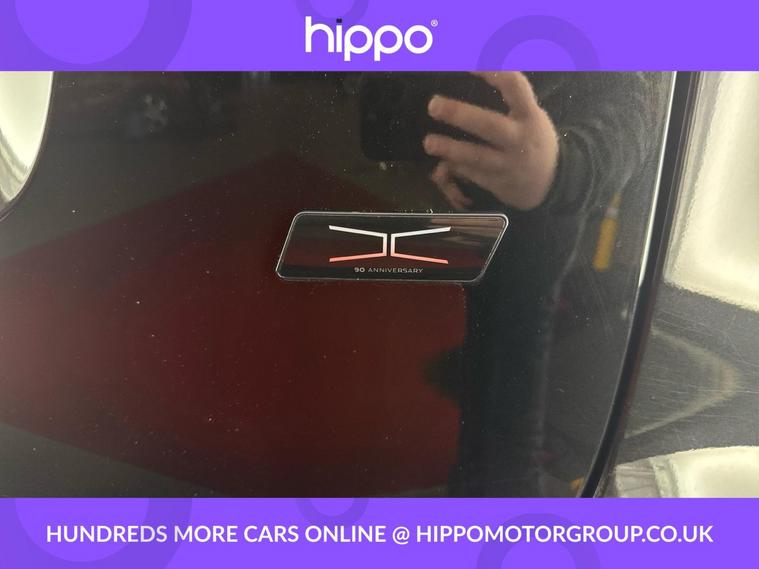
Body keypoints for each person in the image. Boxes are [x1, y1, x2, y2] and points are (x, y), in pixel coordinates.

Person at [424, 72, 669, 496]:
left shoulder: (614, 72)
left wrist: (560, 168)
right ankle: (475, 483)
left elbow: (629, 114)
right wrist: (459, 158)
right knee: (482, 364)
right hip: (484, 222)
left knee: (514, 378)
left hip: (538, 238)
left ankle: (509, 503)